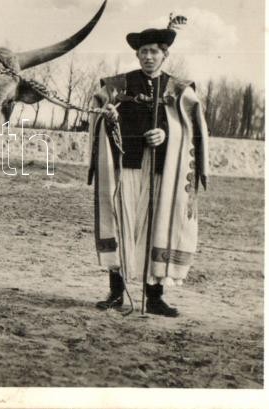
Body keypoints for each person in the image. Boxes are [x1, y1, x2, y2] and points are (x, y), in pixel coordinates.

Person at [88, 18, 209, 317]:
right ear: (137, 54)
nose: (148, 57)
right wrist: (108, 117)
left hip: (161, 169)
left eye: (154, 51)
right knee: (120, 221)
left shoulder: (179, 89)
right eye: (143, 51)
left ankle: (154, 297)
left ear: (165, 54)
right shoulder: (117, 85)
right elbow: (97, 112)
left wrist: (166, 134)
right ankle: (117, 293)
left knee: (158, 225)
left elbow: (191, 127)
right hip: (125, 165)